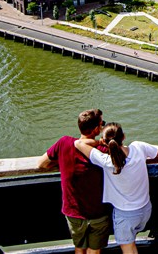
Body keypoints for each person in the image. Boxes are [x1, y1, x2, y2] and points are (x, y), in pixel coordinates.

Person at [75, 122, 158, 254]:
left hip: (125, 215)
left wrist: (98, 142)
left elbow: (78, 144)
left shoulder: (106, 161)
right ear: (123, 136)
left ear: (106, 143)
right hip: (145, 209)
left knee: (128, 248)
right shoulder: (139, 147)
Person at [37, 109, 111, 254]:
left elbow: (42, 163)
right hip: (98, 211)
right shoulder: (102, 150)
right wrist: (100, 141)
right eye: (102, 123)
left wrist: (61, 161)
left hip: (73, 211)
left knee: (79, 248)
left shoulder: (64, 143)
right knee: (94, 250)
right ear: (96, 129)